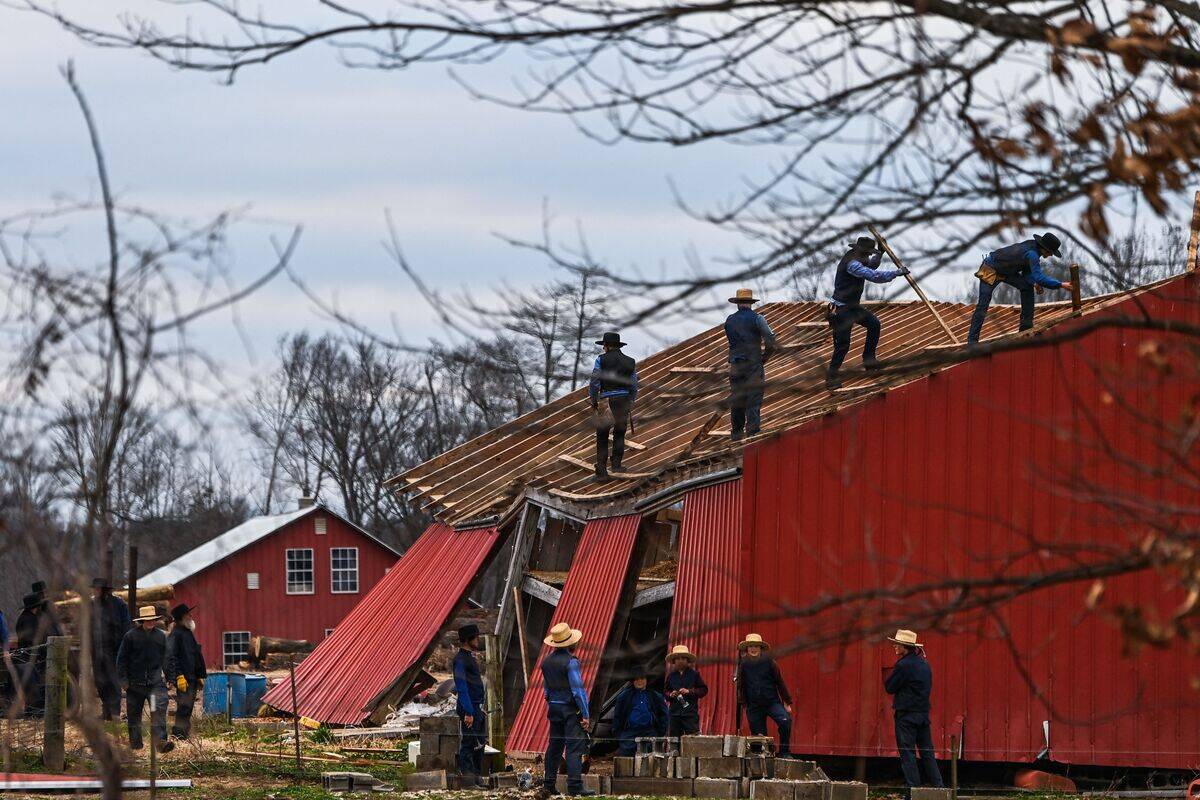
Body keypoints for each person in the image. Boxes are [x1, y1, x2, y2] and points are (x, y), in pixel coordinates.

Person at [825, 236, 907, 389]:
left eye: (870, 254)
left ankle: (869, 361)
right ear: (860, 251)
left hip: (852, 307)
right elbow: (873, 275)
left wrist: (880, 254)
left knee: (874, 324)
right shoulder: (852, 264)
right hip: (841, 309)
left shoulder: (858, 259)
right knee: (842, 344)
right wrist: (896, 273)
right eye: (868, 254)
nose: (868, 257)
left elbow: (872, 266)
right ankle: (831, 377)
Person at [967, 232, 1072, 344]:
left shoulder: (1034, 250)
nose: (1051, 255)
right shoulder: (1032, 254)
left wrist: (1034, 283)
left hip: (1007, 273)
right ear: (1046, 249)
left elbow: (1027, 272)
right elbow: (1040, 278)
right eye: (1051, 253)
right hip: (991, 269)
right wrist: (1061, 284)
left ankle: (1026, 328)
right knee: (983, 305)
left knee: (1027, 286)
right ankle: (972, 342)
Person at [883, 629, 942, 795]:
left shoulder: (903, 665)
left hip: (906, 716)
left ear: (905, 646)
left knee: (908, 754)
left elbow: (890, 687)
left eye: (897, 644)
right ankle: (940, 788)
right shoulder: (924, 664)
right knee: (927, 752)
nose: (894, 646)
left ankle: (913, 791)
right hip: (923, 715)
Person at [539, 622, 593, 798]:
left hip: (554, 707)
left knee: (554, 746)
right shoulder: (571, 662)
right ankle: (575, 786)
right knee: (574, 748)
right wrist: (585, 714)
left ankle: (549, 784)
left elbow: (546, 689)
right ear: (570, 643)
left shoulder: (546, 662)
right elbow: (578, 691)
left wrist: (551, 701)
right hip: (570, 710)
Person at [117, 606, 174, 753]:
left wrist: (170, 678)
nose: (150, 622)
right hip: (135, 685)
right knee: (134, 715)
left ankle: (160, 742)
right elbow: (121, 660)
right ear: (142, 621)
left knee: (158, 710)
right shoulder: (130, 636)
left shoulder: (161, 636)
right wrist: (123, 681)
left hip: (155, 684)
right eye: (147, 620)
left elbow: (167, 659)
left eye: (153, 620)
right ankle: (136, 745)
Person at [724, 289, 779, 440]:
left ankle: (736, 434)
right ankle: (752, 434)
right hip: (752, 365)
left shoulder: (729, 320)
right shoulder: (757, 319)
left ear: (737, 304)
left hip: (736, 366)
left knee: (737, 399)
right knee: (753, 400)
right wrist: (764, 358)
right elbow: (771, 341)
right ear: (751, 303)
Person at [588, 332, 638, 481]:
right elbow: (634, 385)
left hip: (607, 399)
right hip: (623, 400)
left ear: (608, 346)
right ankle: (616, 464)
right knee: (620, 432)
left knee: (602, 435)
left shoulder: (601, 360)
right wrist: (630, 401)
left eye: (604, 345)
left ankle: (602, 472)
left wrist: (593, 399)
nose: (603, 348)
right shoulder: (630, 362)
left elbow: (595, 381)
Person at [735, 633, 793, 757]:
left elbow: (779, 681)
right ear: (747, 649)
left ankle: (784, 752)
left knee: (785, 721)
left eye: (756, 646)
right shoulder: (743, 664)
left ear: (761, 648)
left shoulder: (770, 662)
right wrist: (744, 704)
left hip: (772, 702)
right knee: (759, 738)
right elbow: (741, 685)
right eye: (751, 646)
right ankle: (765, 761)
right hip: (754, 705)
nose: (753, 649)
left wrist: (787, 701)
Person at [13, 589, 61, 717]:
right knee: (33, 682)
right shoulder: (27, 620)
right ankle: (34, 710)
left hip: (35, 655)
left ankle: (36, 709)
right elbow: (32, 639)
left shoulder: (29, 618)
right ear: (35, 607)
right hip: (30, 656)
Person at [452, 624, 488, 788]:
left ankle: (477, 776)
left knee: (480, 743)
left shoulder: (470, 657)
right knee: (468, 743)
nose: (478, 640)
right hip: (469, 707)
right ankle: (468, 779)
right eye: (476, 637)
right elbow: (462, 687)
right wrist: (468, 711)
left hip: (477, 706)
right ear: (467, 640)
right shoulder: (460, 660)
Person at [91, 577, 131, 721]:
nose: (94, 591)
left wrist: (123, 648)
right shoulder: (92, 605)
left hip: (114, 650)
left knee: (113, 682)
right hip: (97, 650)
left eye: (97, 589)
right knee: (100, 682)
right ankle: (106, 711)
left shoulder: (118, 604)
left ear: (104, 591)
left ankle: (114, 713)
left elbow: (126, 626)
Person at [164, 604, 206, 740]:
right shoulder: (176, 634)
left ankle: (183, 734)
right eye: (188, 614)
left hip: (192, 676)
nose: (191, 615)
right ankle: (178, 735)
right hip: (183, 678)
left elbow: (195, 654)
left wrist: (199, 674)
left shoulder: (187, 632)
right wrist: (178, 676)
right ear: (182, 617)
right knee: (184, 706)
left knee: (188, 707)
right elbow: (170, 657)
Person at [611, 672, 667, 756]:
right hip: (629, 734)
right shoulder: (624, 696)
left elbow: (664, 714)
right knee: (627, 760)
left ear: (646, 680)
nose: (639, 681)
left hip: (650, 732)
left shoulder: (655, 696)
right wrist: (619, 734)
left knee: (649, 761)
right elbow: (617, 716)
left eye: (642, 678)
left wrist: (660, 732)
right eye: (636, 679)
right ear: (633, 681)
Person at [664, 645, 707, 737]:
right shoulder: (671, 676)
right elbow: (665, 692)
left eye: (683, 658)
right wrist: (671, 694)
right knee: (674, 740)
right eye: (678, 658)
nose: (680, 660)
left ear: (687, 661)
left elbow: (704, 690)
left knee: (692, 739)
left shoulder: (694, 674)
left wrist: (689, 692)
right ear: (674, 661)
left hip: (690, 713)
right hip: (674, 714)